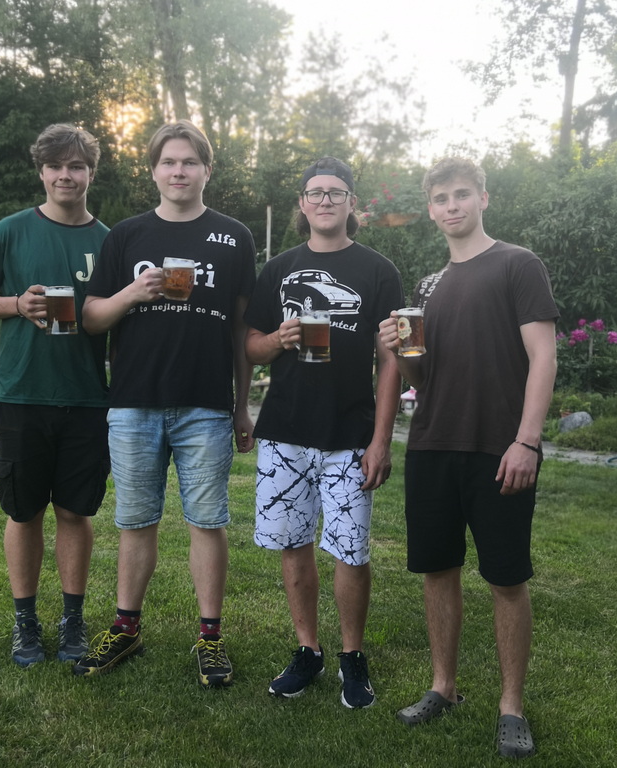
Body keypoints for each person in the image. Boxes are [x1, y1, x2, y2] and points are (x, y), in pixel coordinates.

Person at [378, 157, 558, 758]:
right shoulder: (428, 287)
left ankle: (511, 706)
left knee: (506, 578)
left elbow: (544, 356)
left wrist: (527, 440)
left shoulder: (517, 264)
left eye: (462, 194)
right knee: (437, 571)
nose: (451, 206)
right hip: (432, 444)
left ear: (484, 198)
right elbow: (421, 380)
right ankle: (443, 686)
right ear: (430, 210)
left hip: (499, 449)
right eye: (441, 198)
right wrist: (398, 352)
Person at [73, 120, 256, 687]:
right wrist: (133, 291)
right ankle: (126, 628)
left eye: (189, 162)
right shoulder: (126, 235)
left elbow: (242, 330)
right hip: (134, 402)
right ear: (152, 170)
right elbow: (90, 318)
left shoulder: (234, 236)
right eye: (169, 162)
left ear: (206, 170)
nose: (179, 171)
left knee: (207, 521)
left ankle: (210, 638)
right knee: (135, 520)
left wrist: (241, 406)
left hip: (205, 403)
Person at [244, 157, 404, 708]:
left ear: (352, 203)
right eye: (316, 192)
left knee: (351, 551)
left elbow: (391, 361)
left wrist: (381, 440)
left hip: (350, 434)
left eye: (337, 192)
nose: (326, 200)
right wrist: (278, 340)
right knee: (293, 545)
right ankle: (307, 650)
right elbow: (251, 345)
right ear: (303, 204)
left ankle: (352, 657)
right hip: (285, 430)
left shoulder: (378, 271)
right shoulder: (279, 269)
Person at [0, 123, 111, 667]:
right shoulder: (10, 230)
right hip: (22, 394)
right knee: (24, 513)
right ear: (42, 172)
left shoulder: (109, 241)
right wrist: (15, 305)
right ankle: (25, 622)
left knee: (74, 512)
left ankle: (73, 621)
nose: (65, 175)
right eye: (56, 166)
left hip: (88, 398)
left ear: (91, 173)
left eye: (76, 166)